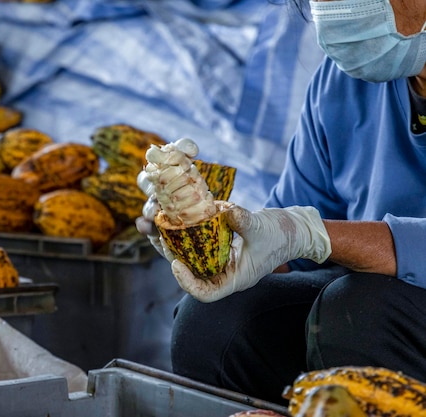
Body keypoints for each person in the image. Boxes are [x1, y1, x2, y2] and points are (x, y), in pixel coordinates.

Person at [136, 0, 426, 406]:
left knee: (361, 311)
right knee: (213, 321)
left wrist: (313, 233)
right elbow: (295, 231)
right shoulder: (339, 85)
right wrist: (210, 238)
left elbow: (316, 234)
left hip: (379, 312)